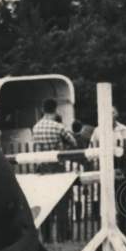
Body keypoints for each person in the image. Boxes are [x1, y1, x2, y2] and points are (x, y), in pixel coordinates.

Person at [31, 98, 77, 242]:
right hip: (56, 165)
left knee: (45, 201)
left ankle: (46, 237)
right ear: (55, 110)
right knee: (62, 202)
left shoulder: (36, 127)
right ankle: (62, 236)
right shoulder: (58, 127)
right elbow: (73, 142)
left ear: (43, 110)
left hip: (42, 166)